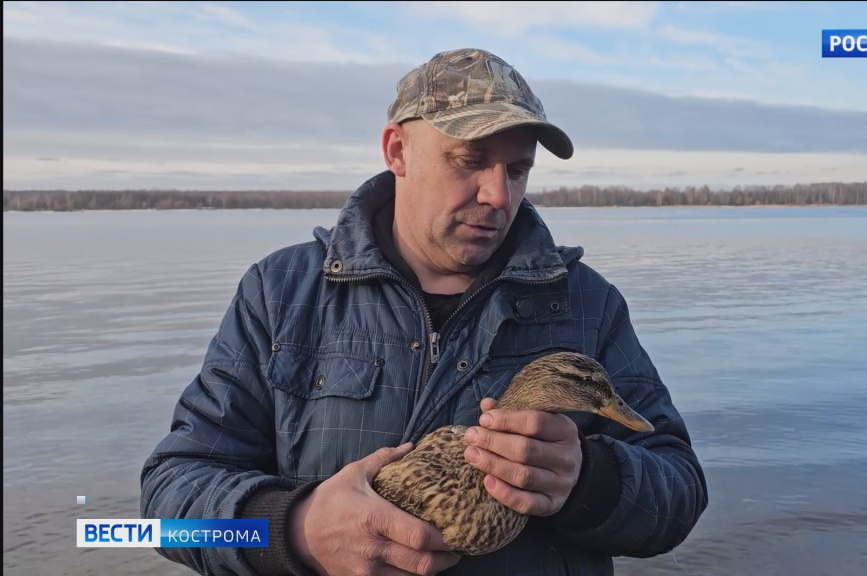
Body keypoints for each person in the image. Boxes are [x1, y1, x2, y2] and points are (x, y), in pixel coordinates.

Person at [140, 47, 708, 576]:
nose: (500, 196)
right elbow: (163, 507)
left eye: (517, 170)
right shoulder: (281, 292)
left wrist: (588, 479)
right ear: (396, 152)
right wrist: (293, 527)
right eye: (470, 160)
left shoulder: (588, 304)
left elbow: (679, 492)